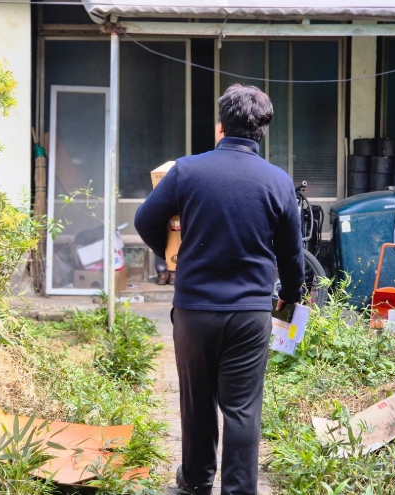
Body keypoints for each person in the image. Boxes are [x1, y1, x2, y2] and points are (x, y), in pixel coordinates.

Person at [134, 84, 304, 495]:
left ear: (220, 127)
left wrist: (174, 256)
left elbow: (145, 220)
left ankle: (195, 481)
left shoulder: (187, 171)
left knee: (197, 401)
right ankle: (239, 489)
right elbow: (291, 253)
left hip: (194, 310)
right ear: (262, 131)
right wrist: (291, 294)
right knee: (242, 408)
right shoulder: (278, 181)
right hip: (250, 313)